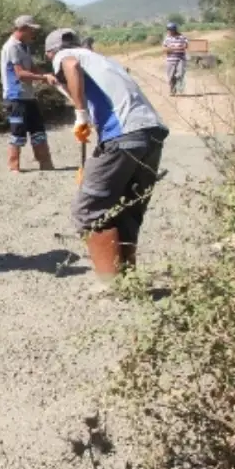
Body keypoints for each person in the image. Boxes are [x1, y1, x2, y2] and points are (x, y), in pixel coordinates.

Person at [44, 28, 170, 287]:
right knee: (127, 210)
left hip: (124, 135)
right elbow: (93, 89)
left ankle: (111, 285)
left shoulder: (65, 55)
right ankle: (129, 279)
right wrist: (63, 88)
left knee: (88, 211)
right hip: (151, 133)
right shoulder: (101, 60)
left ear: (50, 53)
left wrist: (80, 114)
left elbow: (70, 65)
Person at [0, 15, 60, 172]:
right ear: (23, 29)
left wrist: (47, 77)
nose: (34, 33)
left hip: (28, 96)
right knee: (18, 132)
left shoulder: (24, 46)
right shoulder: (11, 47)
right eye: (32, 29)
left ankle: (45, 164)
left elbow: (31, 67)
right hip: (15, 97)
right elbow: (20, 74)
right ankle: (14, 167)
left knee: (38, 130)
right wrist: (42, 77)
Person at [162, 22, 189, 95]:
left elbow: (185, 46)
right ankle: (172, 90)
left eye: (171, 30)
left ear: (174, 30)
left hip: (180, 58)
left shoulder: (182, 37)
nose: (169, 31)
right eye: (168, 30)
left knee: (180, 74)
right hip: (170, 59)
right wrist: (169, 49)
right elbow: (164, 48)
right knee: (170, 76)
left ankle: (177, 84)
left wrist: (175, 48)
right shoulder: (167, 38)